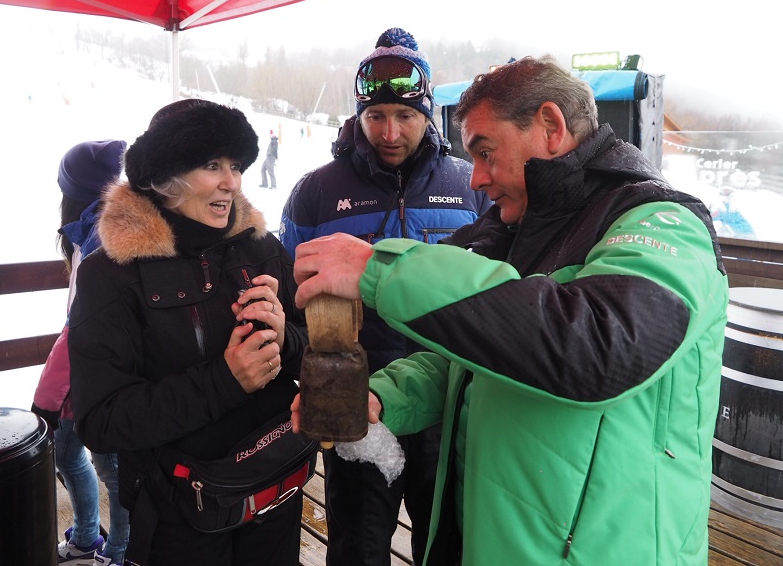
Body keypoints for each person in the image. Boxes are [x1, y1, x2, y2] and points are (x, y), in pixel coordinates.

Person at [290, 56, 729, 566]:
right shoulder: (512, 233)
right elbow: (470, 363)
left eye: (485, 152)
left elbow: (596, 345)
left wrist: (379, 269)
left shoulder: (664, 225)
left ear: (550, 127)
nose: (475, 178)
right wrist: (381, 398)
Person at [280, 28, 490, 566]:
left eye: (406, 116)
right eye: (376, 117)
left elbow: (497, 294)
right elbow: (290, 297)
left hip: (446, 397)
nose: (390, 132)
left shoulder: (472, 187)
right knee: (357, 545)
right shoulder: (317, 191)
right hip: (357, 399)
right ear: (358, 116)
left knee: (445, 541)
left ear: (429, 115)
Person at [68, 99, 309, 566]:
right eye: (212, 165)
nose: (231, 182)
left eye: (235, 165)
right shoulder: (113, 274)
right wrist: (225, 381)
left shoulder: (261, 248)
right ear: (165, 176)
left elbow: (317, 347)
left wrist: (288, 338)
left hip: (274, 489)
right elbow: (102, 419)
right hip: (181, 513)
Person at [30, 140, 130, 565]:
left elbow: (80, 331)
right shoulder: (96, 232)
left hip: (102, 385)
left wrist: (44, 401)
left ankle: (120, 552)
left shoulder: (100, 241)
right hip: (86, 382)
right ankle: (89, 537)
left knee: (114, 473)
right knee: (71, 454)